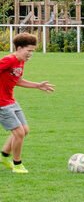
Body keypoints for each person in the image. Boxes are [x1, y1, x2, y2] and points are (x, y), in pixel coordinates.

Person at [0, 33, 56, 174]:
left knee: (24, 130)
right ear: (19, 48)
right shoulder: (9, 60)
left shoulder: (20, 62)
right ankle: (17, 164)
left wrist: (37, 85)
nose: (31, 54)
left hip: (10, 100)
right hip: (1, 103)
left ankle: (4, 156)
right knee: (18, 133)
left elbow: (17, 80)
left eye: (33, 51)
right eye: (29, 50)